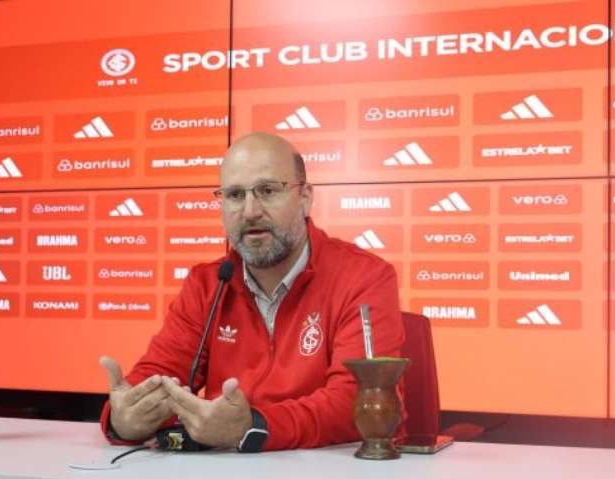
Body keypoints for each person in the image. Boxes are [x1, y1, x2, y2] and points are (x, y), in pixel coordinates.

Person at [99, 132, 405, 452]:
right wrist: (123, 419)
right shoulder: (208, 284)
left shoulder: (364, 277)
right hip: (227, 474)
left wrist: (255, 427)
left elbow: (359, 401)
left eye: (268, 191)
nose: (249, 211)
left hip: (332, 475)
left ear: (305, 198)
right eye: (234, 195)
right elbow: (157, 378)